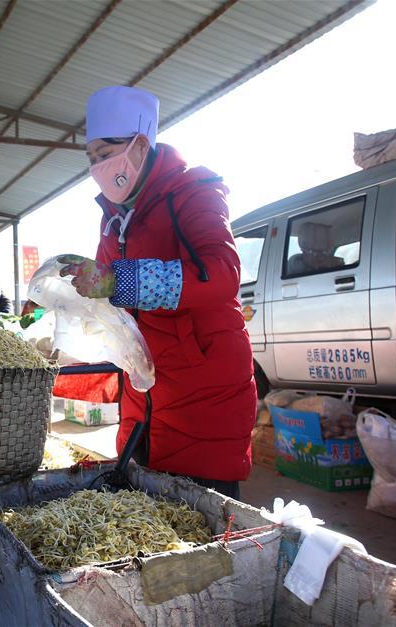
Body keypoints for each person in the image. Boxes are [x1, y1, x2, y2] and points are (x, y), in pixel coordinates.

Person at [58, 86, 256, 499]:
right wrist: (79, 297)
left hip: (202, 387)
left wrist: (120, 281)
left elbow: (221, 272)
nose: (98, 165)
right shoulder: (113, 219)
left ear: (141, 145)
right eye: (92, 157)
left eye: (106, 152)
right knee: (151, 511)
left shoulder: (192, 191)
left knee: (206, 515)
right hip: (146, 390)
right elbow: (108, 289)